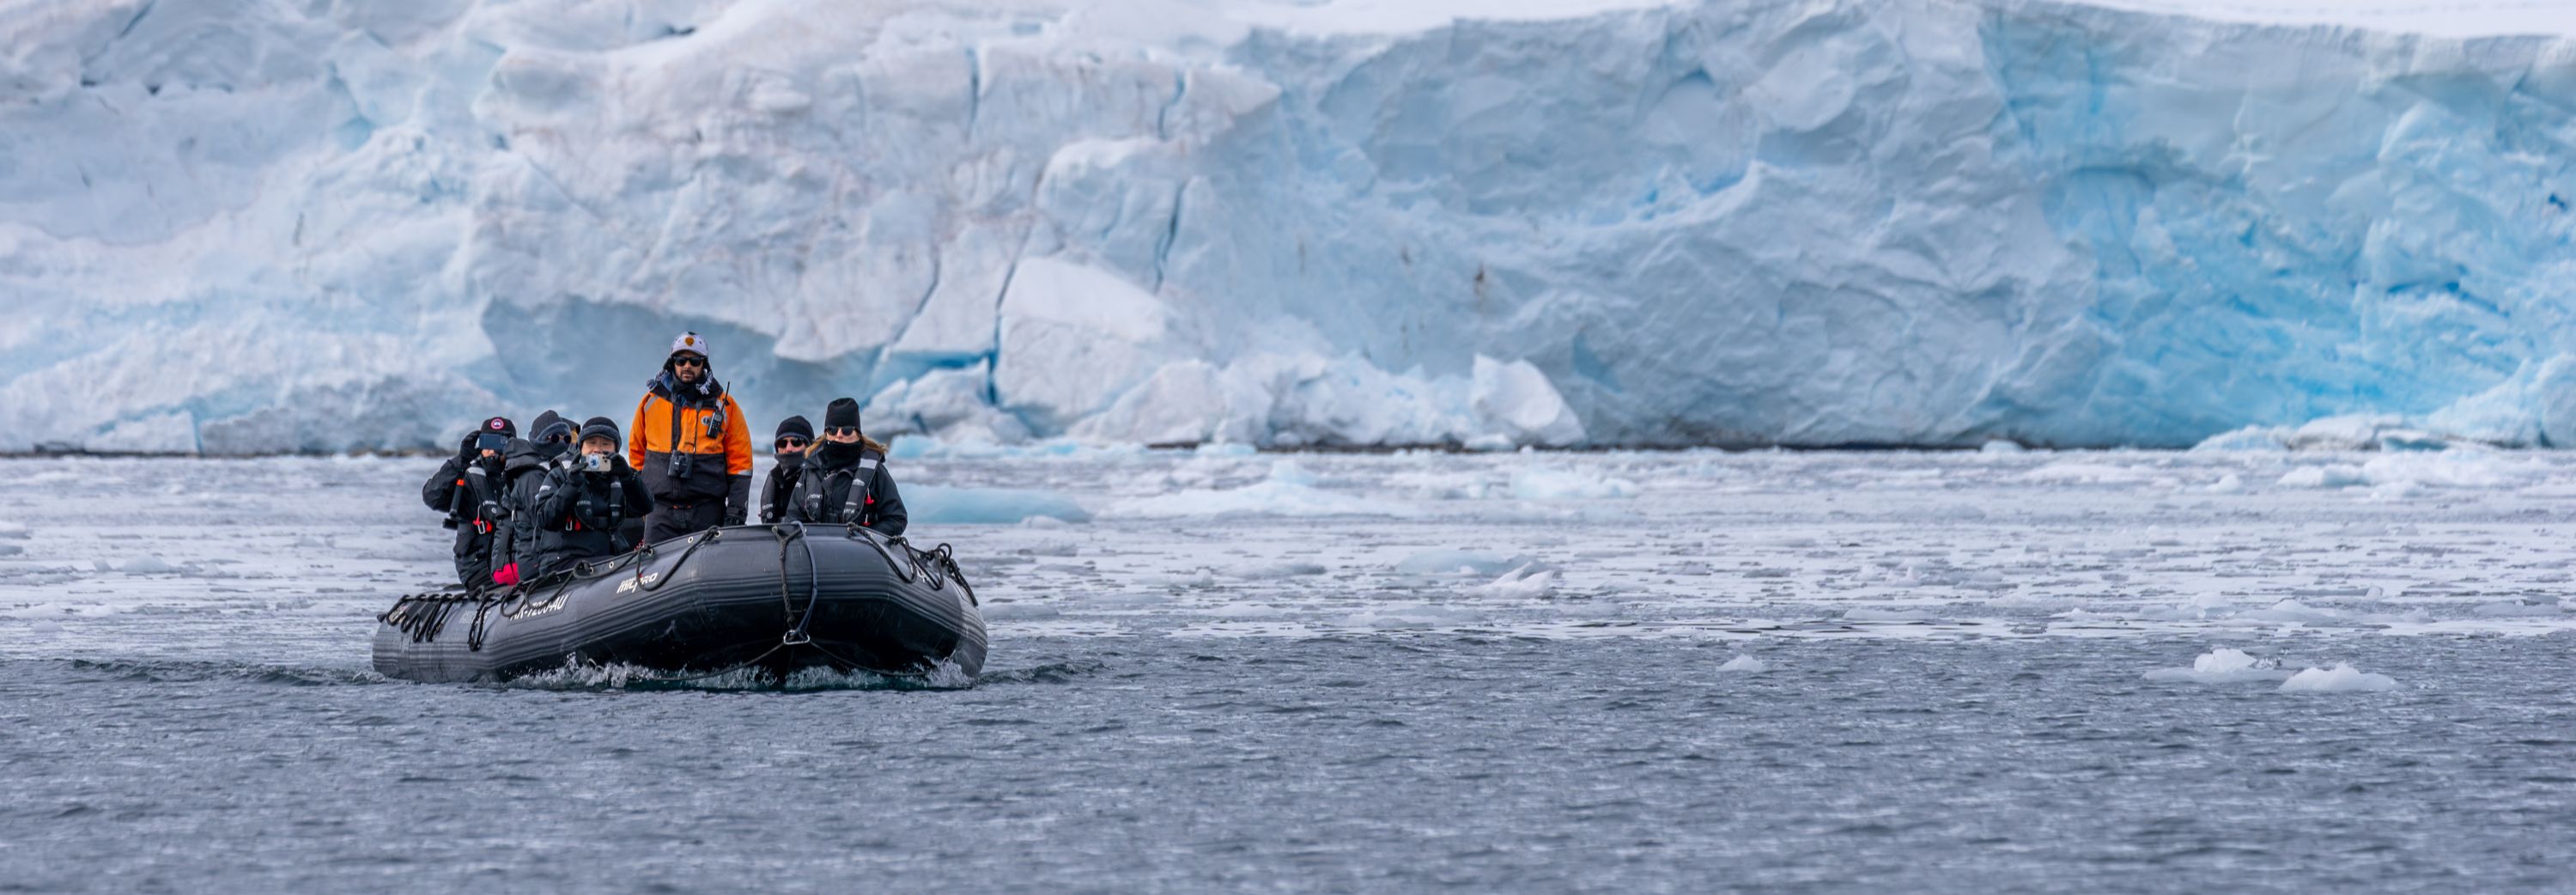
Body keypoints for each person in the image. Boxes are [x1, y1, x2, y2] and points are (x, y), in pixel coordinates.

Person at [629, 332, 753, 544]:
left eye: (695, 361)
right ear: (672, 363)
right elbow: (637, 456)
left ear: (704, 364)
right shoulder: (649, 403)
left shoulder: (725, 406)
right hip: (660, 513)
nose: (687, 366)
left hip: (707, 510)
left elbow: (740, 464)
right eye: (681, 360)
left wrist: (736, 512)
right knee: (653, 573)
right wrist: (641, 501)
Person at [531, 417, 653, 578]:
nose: (597, 450)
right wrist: (571, 485)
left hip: (605, 560)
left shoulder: (619, 477)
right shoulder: (560, 474)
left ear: (616, 450)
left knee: (642, 567)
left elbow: (645, 507)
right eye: (591, 443)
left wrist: (629, 477)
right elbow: (544, 519)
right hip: (564, 563)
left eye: (605, 444)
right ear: (581, 447)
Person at [783, 398, 906, 536]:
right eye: (832, 430)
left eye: (846, 430)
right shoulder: (811, 469)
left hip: (860, 552)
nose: (839, 435)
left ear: (857, 433)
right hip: (816, 551)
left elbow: (897, 518)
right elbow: (793, 518)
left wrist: (867, 537)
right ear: (826, 433)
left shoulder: (875, 471)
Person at [419, 416, 514, 589]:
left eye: (500, 442)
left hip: (513, 560)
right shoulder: (468, 479)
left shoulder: (520, 477)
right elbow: (432, 496)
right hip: (477, 565)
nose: (493, 450)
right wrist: (461, 459)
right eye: (488, 442)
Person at [486, 410, 574, 588]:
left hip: (540, 556)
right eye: (554, 438)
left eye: (566, 439)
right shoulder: (531, 475)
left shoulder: (552, 469)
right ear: (538, 441)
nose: (561, 444)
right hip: (521, 563)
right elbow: (544, 520)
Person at [758, 415, 812, 524]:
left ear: (809, 446)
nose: (788, 449)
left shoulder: (819, 479)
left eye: (796, 442)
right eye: (782, 443)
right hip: (775, 538)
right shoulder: (775, 477)